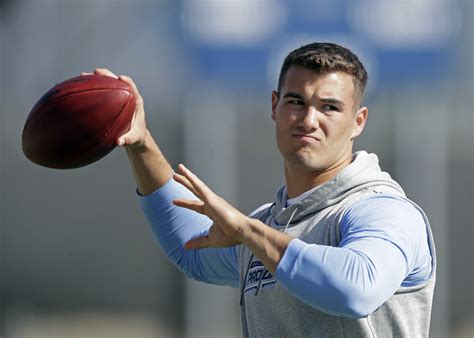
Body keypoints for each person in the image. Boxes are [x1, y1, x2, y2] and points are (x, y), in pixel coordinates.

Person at [89, 42, 436, 337]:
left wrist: (245, 230)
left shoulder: (382, 209)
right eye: (296, 101)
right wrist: (141, 144)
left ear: (358, 121)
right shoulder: (267, 226)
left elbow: (355, 290)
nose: (308, 120)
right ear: (275, 105)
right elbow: (190, 248)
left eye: (329, 107)